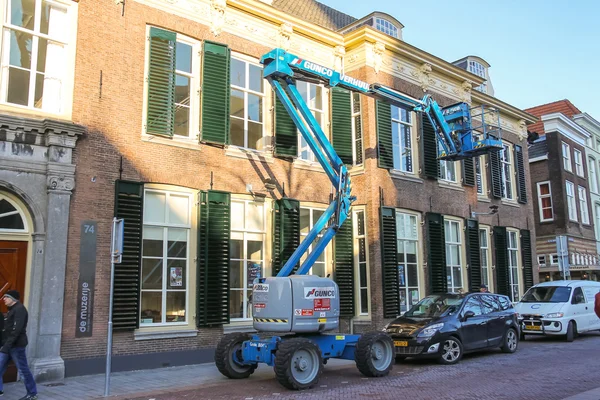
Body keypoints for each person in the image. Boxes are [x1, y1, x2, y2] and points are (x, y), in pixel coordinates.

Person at [0, 290, 37, 400]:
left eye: (6, 297)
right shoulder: (12, 310)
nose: (4, 299)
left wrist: (6, 346)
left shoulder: (19, 310)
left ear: (13, 299)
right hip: (8, 346)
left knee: (23, 370)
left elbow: (16, 331)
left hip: (16, 347)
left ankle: (32, 394)